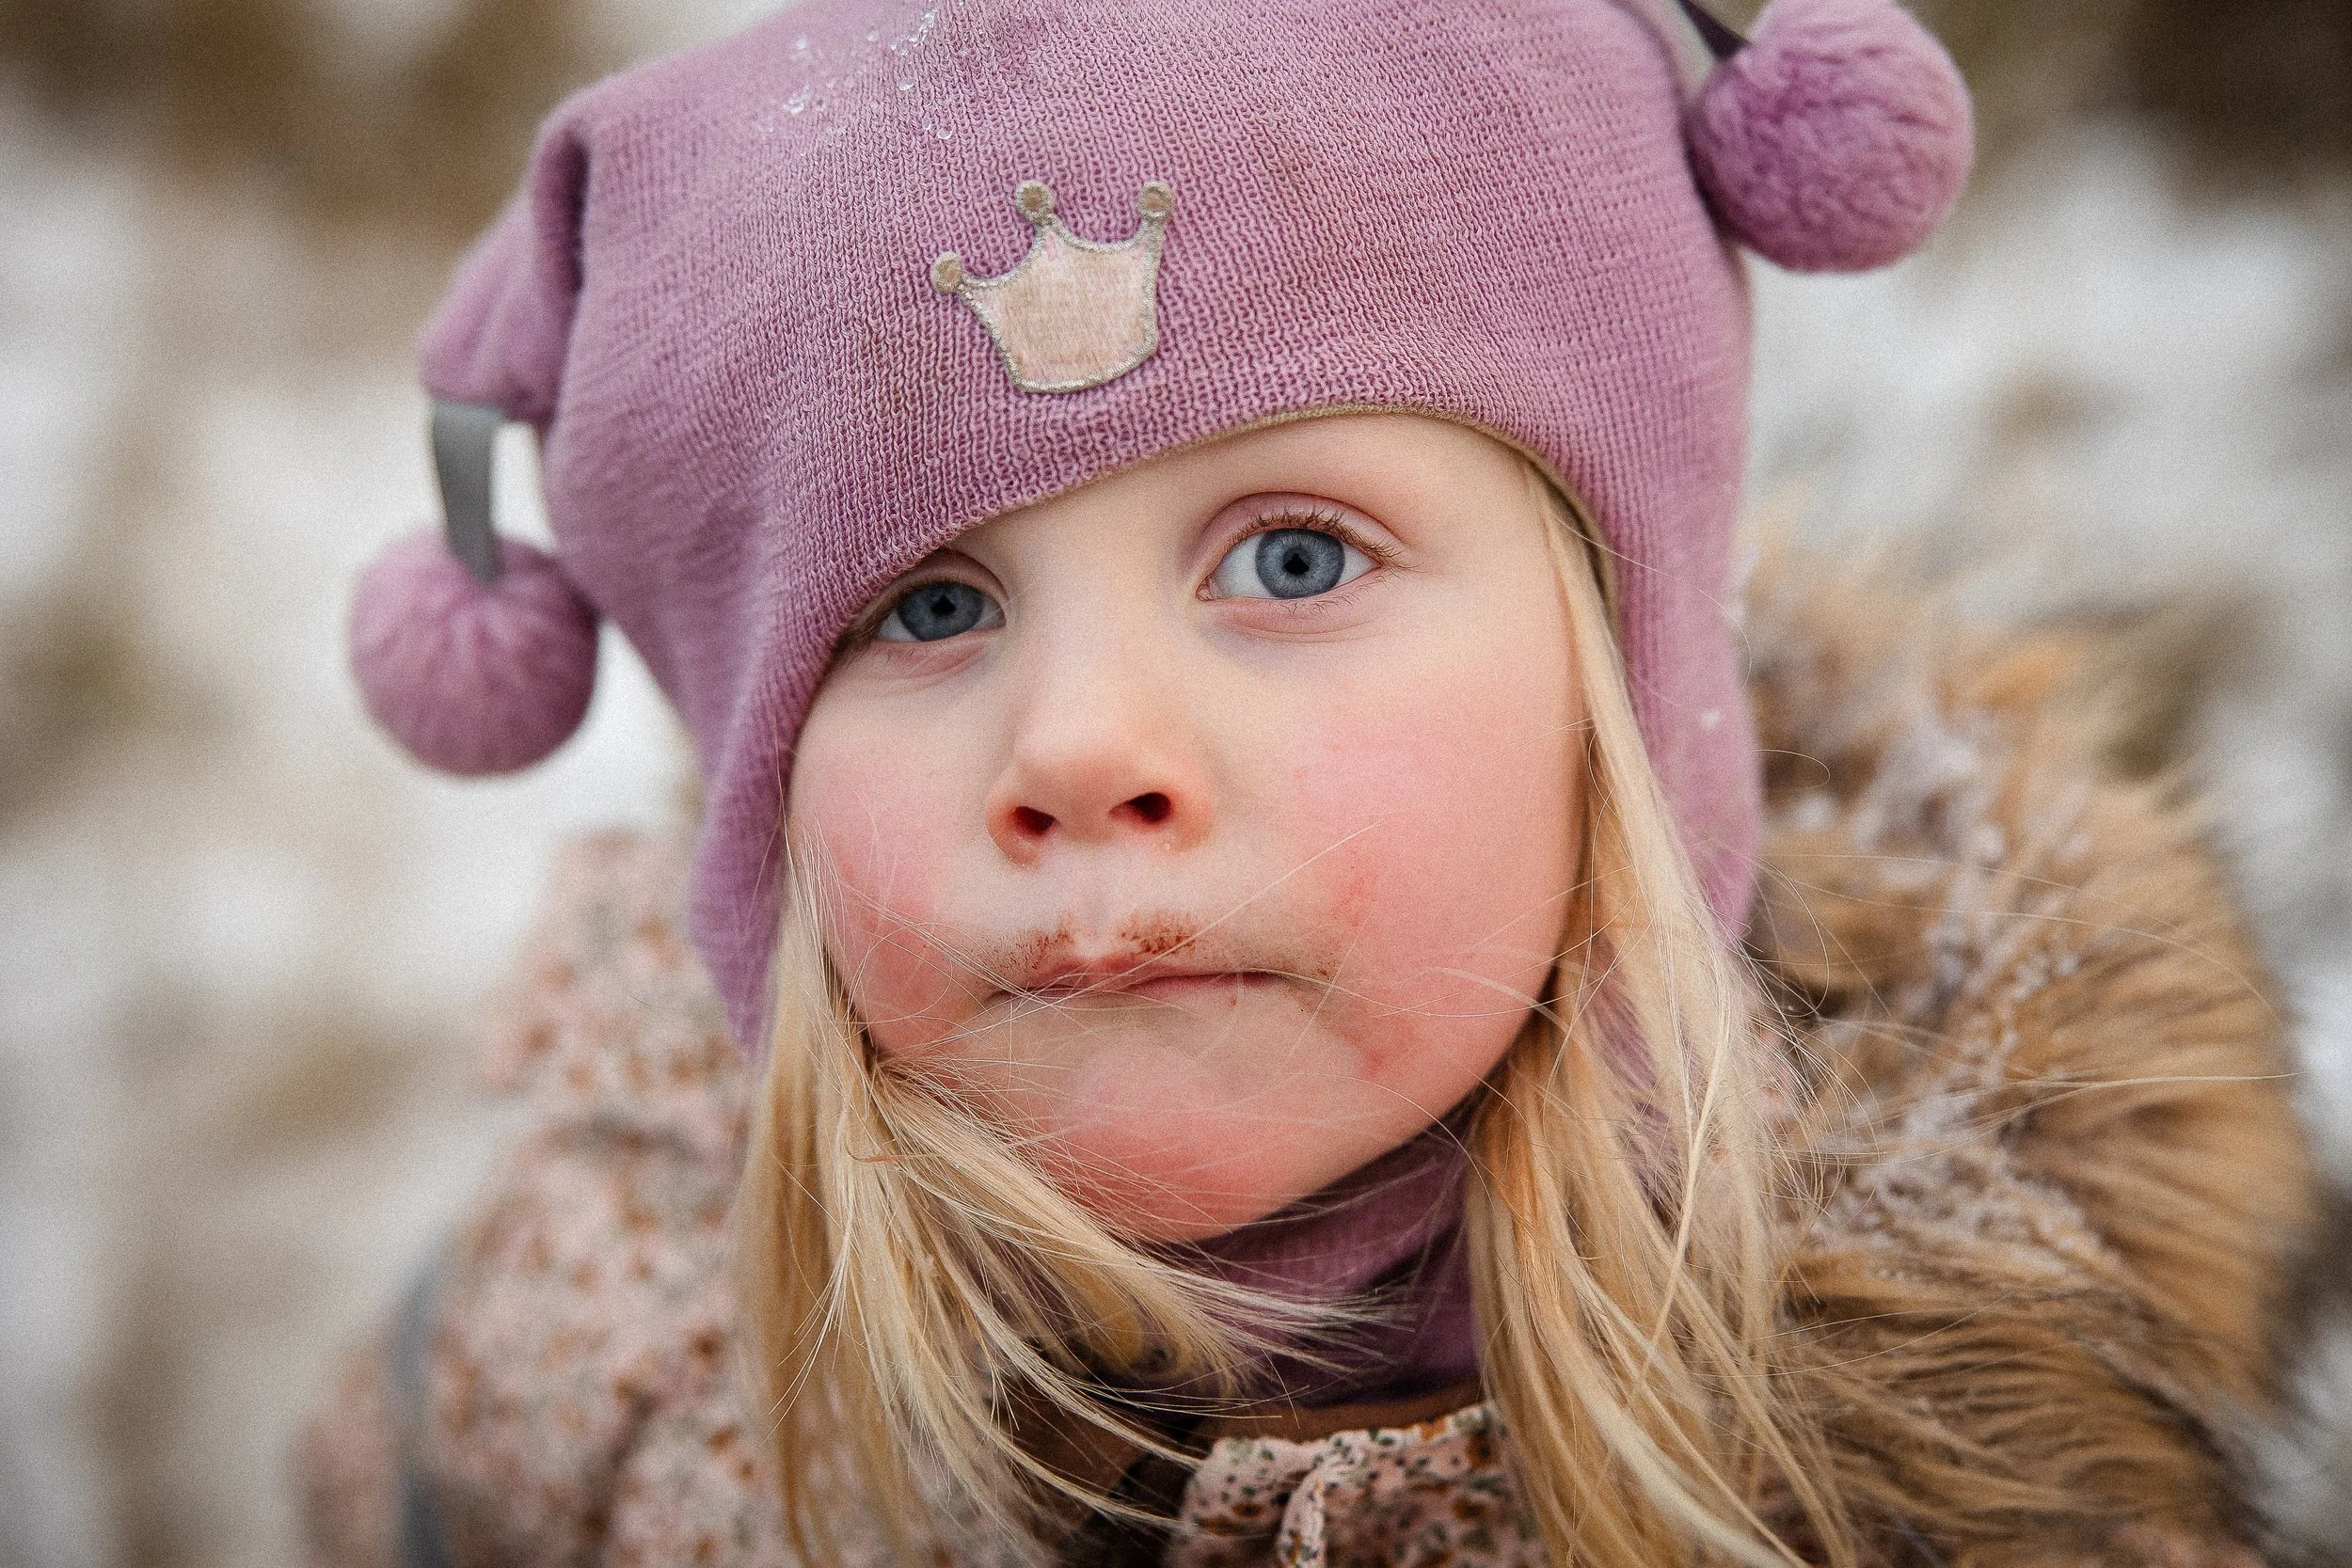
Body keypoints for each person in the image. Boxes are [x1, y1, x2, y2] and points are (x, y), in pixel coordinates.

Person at [302, 0, 2318, 1563]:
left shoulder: (1982, 1452)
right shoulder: (592, 1338)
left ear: (1621, 676)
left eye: (1291, 559)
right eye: (922, 611)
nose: (1083, 747)